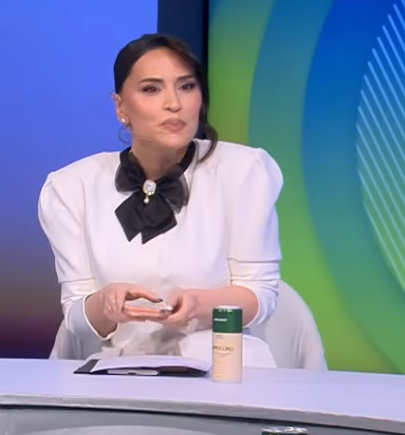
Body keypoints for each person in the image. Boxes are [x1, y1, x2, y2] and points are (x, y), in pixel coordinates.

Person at [38, 34, 283, 364]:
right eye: (151, 89)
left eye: (186, 86)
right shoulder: (71, 187)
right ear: (120, 106)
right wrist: (104, 305)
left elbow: (262, 296)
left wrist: (200, 305)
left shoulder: (244, 172)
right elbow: (76, 321)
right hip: (109, 372)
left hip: (214, 367)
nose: (174, 103)